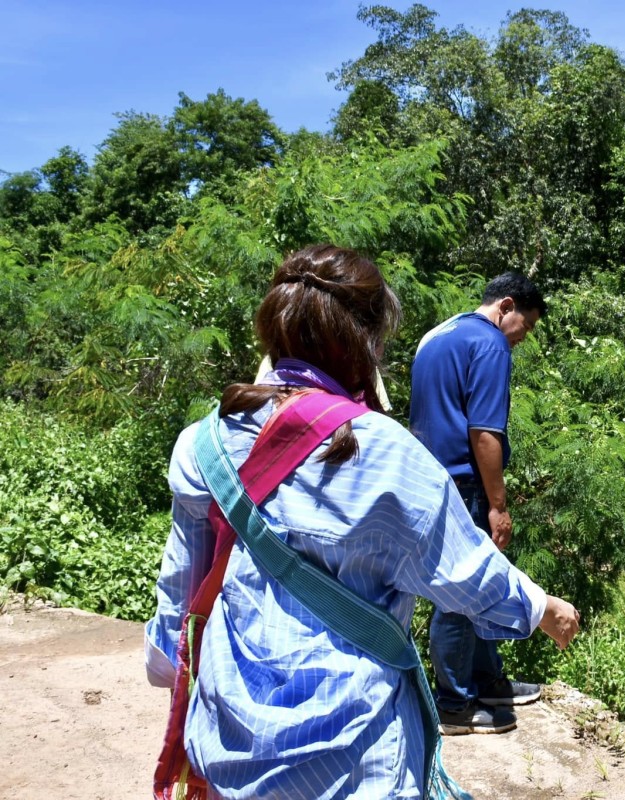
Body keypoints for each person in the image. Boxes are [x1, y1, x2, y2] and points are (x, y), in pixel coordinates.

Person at [145, 245, 580, 798]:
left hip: (227, 746)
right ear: (367, 341)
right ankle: (461, 699)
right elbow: (465, 571)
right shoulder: (388, 455)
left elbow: (177, 612)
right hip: (353, 758)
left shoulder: (201, 443)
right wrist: (543, 608)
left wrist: (169, 663)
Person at [408, 271, 548, 735]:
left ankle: (488, 682)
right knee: (459, 593)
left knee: (481, 583)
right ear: (505, 306)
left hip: (429, 479)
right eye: (525, 326)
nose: (522, 338)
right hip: (463, 484)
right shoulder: (490, 343)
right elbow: (484, 432)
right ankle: (454, 706)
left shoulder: (439, 334)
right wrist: (498, 504)